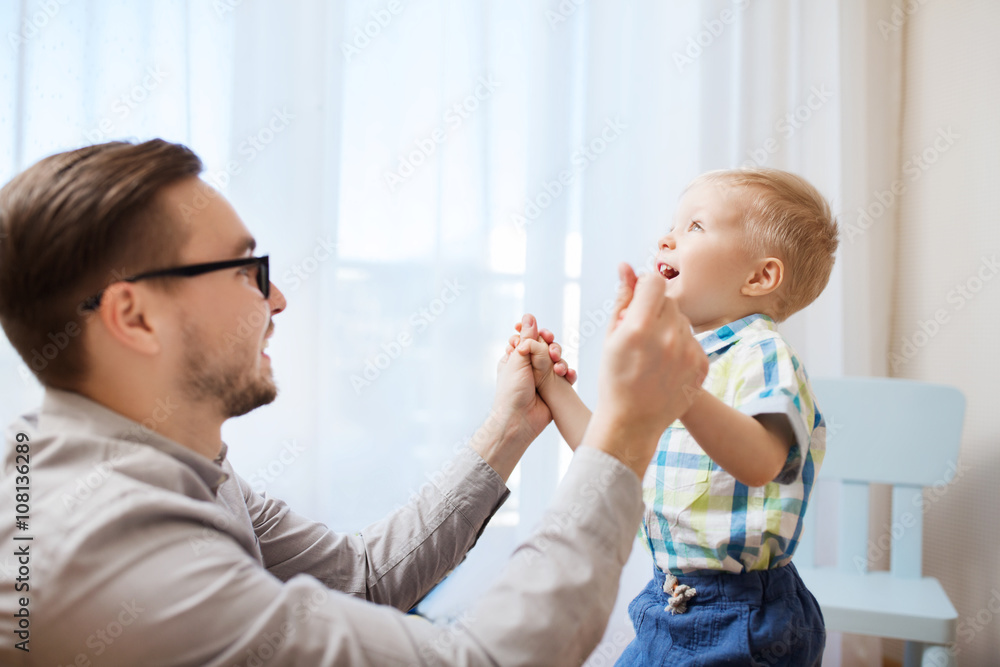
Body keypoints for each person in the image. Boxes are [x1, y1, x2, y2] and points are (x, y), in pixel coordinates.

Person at [0, 139, 708, 666]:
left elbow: (358, 579)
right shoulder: (100, 547)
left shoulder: (162, 464)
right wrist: (622, 435)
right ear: (134, 317)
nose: (278, 298)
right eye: (249, 269)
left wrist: (508, 431)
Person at [512, 168, 838, 665]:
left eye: (695, 226)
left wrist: (679, 387)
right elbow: (612, 451)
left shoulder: (763, 355)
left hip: (743, 615)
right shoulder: (683, 360)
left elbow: (762, 461)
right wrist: (551, 386)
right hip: (668, 597)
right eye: (673, 224)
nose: (667, 237)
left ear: (759, 277)